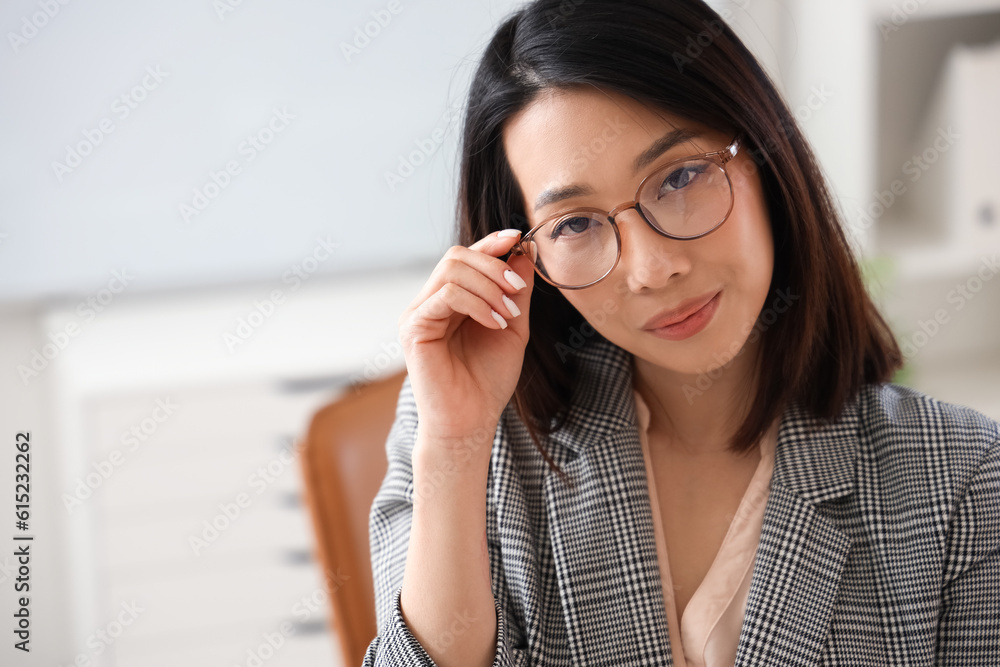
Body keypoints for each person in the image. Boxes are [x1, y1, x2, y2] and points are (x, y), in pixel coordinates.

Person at [361, 0, 1000, 665]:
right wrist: (455, 445)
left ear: (763, 151)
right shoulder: (464, 444)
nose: (652, 268)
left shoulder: (962, 477)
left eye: (680, 178)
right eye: (575, 223)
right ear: (524, 255)